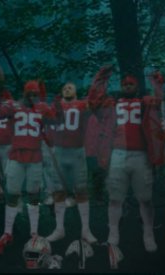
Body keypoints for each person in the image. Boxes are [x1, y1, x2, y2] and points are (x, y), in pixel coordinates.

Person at [87, 66, 159, 253]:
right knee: (115, 198)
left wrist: (157, 84)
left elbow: (161, 104)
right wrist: (100, 79)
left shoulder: (144, 102)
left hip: (140, 154)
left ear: (136, 86)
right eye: (124, 84)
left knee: (145, 198)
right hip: (118, 154)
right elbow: (94, 102)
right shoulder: (113, 103)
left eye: (131, 84)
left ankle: (148, 233)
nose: (127, 86)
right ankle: (113, 234)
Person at [0, 80, 62, 254]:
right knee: (12, 195)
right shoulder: (13, 106)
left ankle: (34, 231)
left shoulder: (42, 108)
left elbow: (56, 121)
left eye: (35, 93)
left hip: (35, 157)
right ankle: (7, 233)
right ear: (24, 93)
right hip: (16, 156)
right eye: (30, 93)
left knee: (34, 195)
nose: (32, 97)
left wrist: (57, 104)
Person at [45, 82, 97, 244]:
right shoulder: (55, 105)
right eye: (64, 87)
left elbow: (94, 106)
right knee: (58, 191)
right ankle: (59, 229)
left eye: (70, 87)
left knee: (81, 190)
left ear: (76, 90)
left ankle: (85, 230)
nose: (67, 88)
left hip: (76, 151)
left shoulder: (83, 104)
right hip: (60, 151)